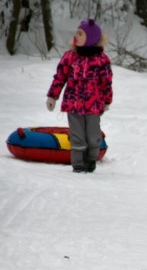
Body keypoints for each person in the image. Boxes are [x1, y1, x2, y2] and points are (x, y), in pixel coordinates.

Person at [46, 19, 113, 173]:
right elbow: (60, 77)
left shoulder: (101, 60)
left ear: (90, 38)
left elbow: (106, 83)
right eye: (76, 32)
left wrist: (107, 101)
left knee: (93, 136)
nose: (76, 35)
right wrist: (52, 96)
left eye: (80, 33)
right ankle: (78, 164)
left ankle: (91, 160)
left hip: (93, 106)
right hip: (73, 104)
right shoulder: (70, 57)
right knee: (77, 136)